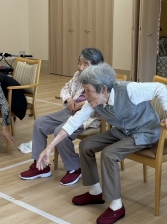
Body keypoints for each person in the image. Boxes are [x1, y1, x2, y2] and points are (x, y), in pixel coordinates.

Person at [36, 63, 167, 224]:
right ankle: (95, 192)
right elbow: (73, 123)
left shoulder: (129, 90)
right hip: (122, 131)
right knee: (86, 145)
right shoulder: (93, 102)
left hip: (145, 131)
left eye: (88, 90)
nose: (85, 95)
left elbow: (159, 88)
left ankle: (117, 206)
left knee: (109, 154)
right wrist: (49, 147)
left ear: (103, 89)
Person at [20, 48, 104, 185]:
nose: (81, 67)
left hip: (89, 117)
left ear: (96, 65)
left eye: (86, 64)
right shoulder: (78, 75)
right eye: (79, 63)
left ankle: (75, 168)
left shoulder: (101, 80)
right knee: (40, 123)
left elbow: (99, 101)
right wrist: (69, 99)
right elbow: (65, 89)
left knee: (60, 130)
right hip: (70, 111)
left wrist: (81, 104)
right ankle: (41, 165)